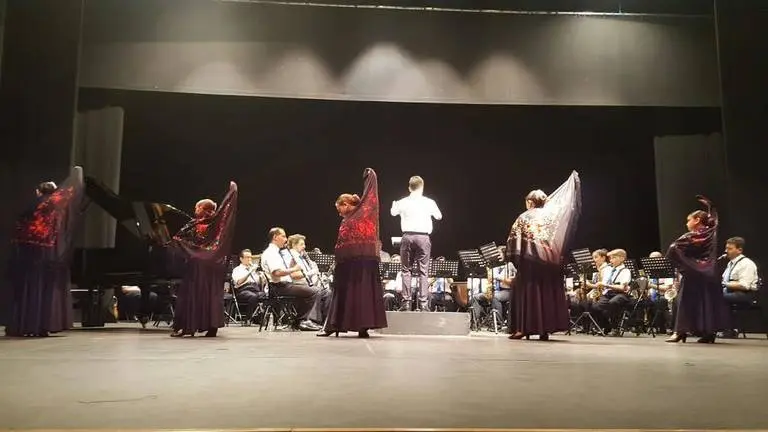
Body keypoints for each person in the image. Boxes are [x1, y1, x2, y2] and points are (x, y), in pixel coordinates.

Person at [5, 167, 85, 337]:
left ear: (38, 191)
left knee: (28, 288)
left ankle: (26, 324)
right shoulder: (56, 206)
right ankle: (42, 325)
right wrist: (77, 173)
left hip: (28, 251)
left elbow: (20, 226)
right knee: (44, 289)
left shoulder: (37, 204)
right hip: (49, 253)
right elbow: (71, 190)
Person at [506, 171, 581, 341]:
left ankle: (523, 328)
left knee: (528, 293)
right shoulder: (552, 217)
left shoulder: (524, 217)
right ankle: (544, 330)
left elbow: (514, 241)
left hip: (530, 265)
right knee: (545, 293)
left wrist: (515, 258)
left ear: (530, 202)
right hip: (550, 265)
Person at [319, 168, 387, 338]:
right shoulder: (354, 217)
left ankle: (358, 326)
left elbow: (371, 196)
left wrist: (370, 176)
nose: (339, 213)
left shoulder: (363, 213)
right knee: (355, 293)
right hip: (355, 262)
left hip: (357, 262)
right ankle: (344, 326)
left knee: (357, 293)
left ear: (346, 204)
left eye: (339, 209)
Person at [169, 182, 238, 337]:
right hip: (214, 265)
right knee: (211, 294)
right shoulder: (217, 224)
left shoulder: (196, 224)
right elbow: (226, 215)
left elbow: (179, 238)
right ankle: (212, 328)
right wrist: (232, 194)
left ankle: (188, 327)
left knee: (192, 294)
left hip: (197, 265)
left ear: (201, 208)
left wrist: (173, 243)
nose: (195, 210)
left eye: (197, 207)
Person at [665, 195, 729, 344]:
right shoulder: (711, 233)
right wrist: (710, 206)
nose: (687, 223)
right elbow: (714, 220)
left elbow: (673, 249)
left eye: (689, 220)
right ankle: (709, 333)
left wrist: (688, 264)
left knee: (684, 301)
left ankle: (679, 331)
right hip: (709, 273)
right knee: (707, 302)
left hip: (694, 273)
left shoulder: (693, 236)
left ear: (697, 220)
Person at [391, 175, 442, 311]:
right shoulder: (429, 202)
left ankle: (406, 303)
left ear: (409, 188)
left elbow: (393, 213)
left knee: (406, 270)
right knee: (423, 271)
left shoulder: (402, 202)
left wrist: (394, 204)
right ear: (422, 187)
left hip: (407, 236)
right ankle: (424, 303)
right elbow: (439, 216)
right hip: (423, 237)